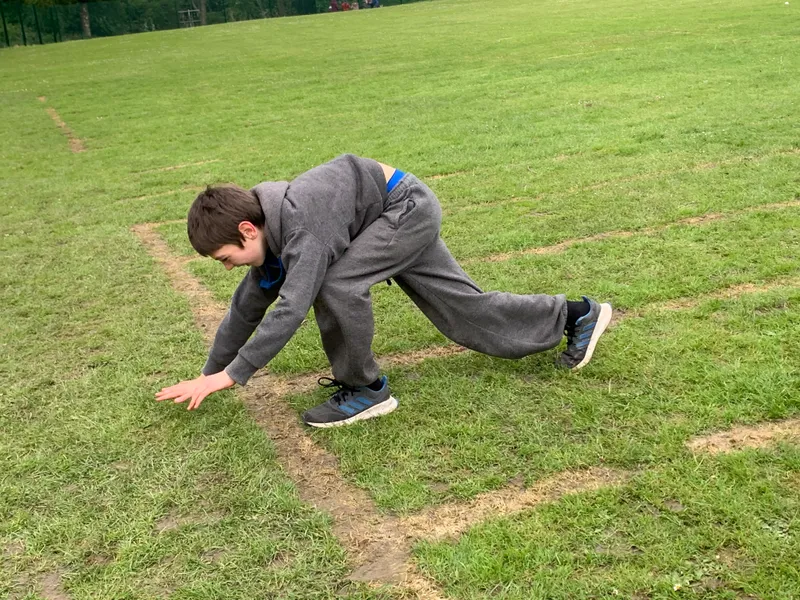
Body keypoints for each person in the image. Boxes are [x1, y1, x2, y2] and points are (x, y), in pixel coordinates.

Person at [155, 155, 613, 427]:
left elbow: (293, 305)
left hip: (404, 208)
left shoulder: (301, 227)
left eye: (225, 257)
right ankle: (575, 315)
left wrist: (233, 374)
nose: (227, 266)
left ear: (245, 229)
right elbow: (247, 307)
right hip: (384, 218)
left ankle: (366, 390)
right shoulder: (270, 234)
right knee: (462, 313)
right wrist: (210, 373)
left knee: (335, 285)